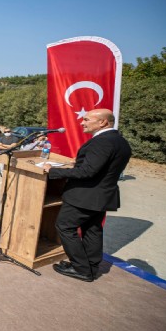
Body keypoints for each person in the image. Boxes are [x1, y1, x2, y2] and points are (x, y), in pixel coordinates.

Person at [44, 109, 132, 282]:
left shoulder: (102, 142)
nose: (82, 122)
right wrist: (80, 162)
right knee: (92, 230)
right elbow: (102, 166)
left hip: (85, 196)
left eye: (86, 119)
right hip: (101, 196)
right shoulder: (120, 141)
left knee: (65, 227)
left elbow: (88, 172)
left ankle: (81, 268)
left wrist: (53, 170)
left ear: (103, 123)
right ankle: (91, 266)